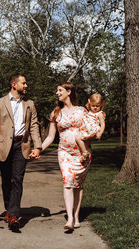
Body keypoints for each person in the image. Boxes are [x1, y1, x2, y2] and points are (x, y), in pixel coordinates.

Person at [0, 74, 42, 231]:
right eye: (24, 83)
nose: (26, 85)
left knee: (18, 179)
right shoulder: (0, 102)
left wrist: (37, 147)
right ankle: (9, 210)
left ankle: (14, 215)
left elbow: (34, 126)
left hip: (21, 145)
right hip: (3, 146)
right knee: (6, 180)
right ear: (14, 85)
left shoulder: (29, 104)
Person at [41, 83, 90, 230]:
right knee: (68, 182)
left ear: (69, 92)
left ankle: (76, 216)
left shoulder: (82, 111)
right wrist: (39, 149)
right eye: (57, 90)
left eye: (60, 90)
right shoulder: (56, 113)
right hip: (64, 152)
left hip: (82, 153)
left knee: (78, 185)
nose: (57, 93)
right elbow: (50, 137)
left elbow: (91, 129)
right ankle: (69, 219)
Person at [75, 93, 106, 161]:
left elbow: (103, 124)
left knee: (78, 138)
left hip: (93, 131)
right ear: (90, 104)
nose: (95, 107)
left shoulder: (99, 114)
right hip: (86, 130)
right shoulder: (89, 112)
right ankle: (85, 155)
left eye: (97, 106)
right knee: (83, 141)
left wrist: (100, 133)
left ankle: (84, 153)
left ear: (101, 105)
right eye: (93, 106)